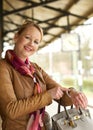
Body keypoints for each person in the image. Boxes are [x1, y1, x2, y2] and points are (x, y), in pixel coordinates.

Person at [0, 20, 88, 130]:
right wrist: (48, 95)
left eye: (36, 42)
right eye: (27, 37)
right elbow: (10, 110)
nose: (31, 43)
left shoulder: (35, 69)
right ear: (16, 37)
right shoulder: (3, 67)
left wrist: (73, 93)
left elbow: (62, 96)